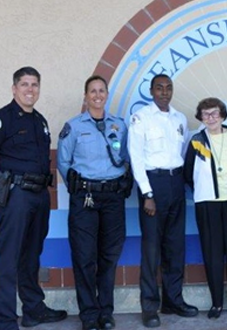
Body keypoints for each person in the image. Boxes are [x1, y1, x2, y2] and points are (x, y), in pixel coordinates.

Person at [0, 67, 67, 330]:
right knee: (7, 258)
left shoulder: (40, 121)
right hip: (14, 197)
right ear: (14, 88)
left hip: (38, 196)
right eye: (24, 84)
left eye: (34, 84)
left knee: (31, 256)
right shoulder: (0, 120)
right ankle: (5, 320)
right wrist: (3, 188)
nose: (29, 89)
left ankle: (34, 310)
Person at [57, 75, 131, 330]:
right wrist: (78, 189)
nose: (97, 95)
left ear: (107, 94)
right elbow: (63, 162)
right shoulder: (74, 126)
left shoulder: (119, 126)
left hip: (113, 198)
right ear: (85, 96)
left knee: (109, 256)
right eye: (92, 91)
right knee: (85, 257)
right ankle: (89, 314)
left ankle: (106, 312)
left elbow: (126, 158)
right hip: (85, 199)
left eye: (101, 91)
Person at [127, 74, 198, 328]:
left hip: (175, 183)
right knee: (152, 249)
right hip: (153, 186)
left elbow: (180, 152)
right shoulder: (141, 118)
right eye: (159, 88)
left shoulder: (179, 119)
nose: (164, 92)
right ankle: (149, 306)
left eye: (168, 88)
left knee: (175, 246)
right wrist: (147, 194)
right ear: (151, 90)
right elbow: (135, 157)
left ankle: (173, 300)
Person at [183, 97, 227, 320]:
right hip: (207, 205)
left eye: (214, 113)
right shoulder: (196, 142)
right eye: (205, 114)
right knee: (212, 254)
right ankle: (216, 303)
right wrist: (205, 190)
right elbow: (187, 174)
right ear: (200, 118)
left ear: (222, 114)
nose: (211, 118)